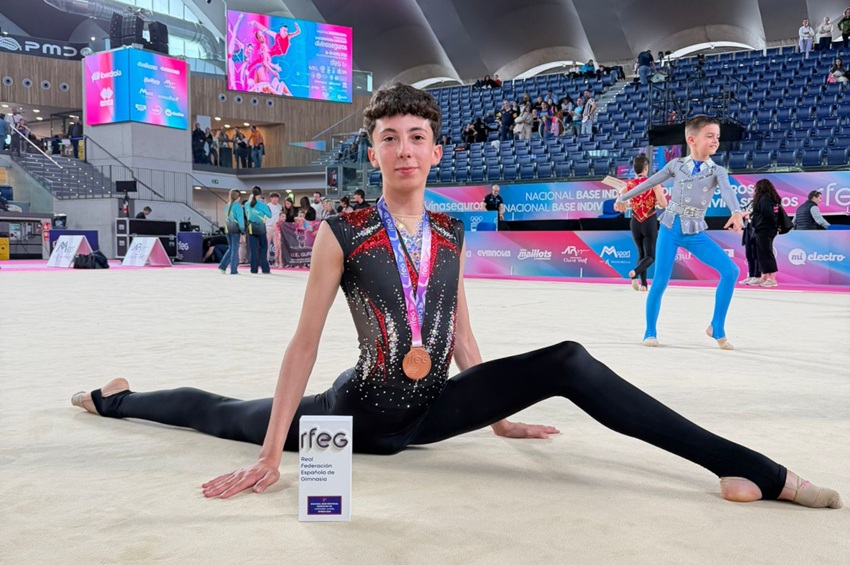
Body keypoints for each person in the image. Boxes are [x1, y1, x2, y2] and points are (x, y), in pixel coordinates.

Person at [69, 83, 842, 511]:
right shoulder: (344, 229)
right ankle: (115, 399)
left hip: (434, 407)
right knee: (216, 413)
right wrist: (274, 453)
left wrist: (495, 410)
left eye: (416, 136)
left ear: (437, 150)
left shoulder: (450, 226)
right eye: (389, 138)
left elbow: (459, 326)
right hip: (356, 413)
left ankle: (748, 469)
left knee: (567, 359)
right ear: (370, 152)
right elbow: (303, 344)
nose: (403, 149)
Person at [615, 115, 744, 350]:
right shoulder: (676, 165)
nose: (715, 141)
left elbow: (727, 191)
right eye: (710, 136)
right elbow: (649, 182)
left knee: (731, 270)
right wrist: (623, 197)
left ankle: (717, 326)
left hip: (695, 230)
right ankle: (650, 331)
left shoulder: (718, 171)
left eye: (717, 137)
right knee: (661, 280)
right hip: (670, 227)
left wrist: (736, 211)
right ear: (691, 139)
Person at [619, 154, 667, 291]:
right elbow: (664, 204)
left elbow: (621, 203)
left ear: (635, 169)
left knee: (641, 253)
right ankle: (635, 272)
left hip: (635, 221)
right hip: (649, 220)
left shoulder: (628, 186)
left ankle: (644, 285)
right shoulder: (653, 183)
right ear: (646, 168)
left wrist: (631, 204)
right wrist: (656, 201)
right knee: (650, 256)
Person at [749, 179, 781, 288]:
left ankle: (772, 278)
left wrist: (774, 226)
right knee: (762, 253)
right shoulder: (766, 198)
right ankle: (764, 276)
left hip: (765, 229)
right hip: (762, 228)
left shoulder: (765, 199)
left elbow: (769, 215)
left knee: (767, 253)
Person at [245, 186, 272, 274]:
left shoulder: (246, 204)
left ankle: (253, 269)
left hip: (251, 228)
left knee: (253, 249)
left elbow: (246, 214)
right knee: (263, 248)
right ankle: (265, 268)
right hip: (260, 228)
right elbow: (269, 215)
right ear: (260, 194)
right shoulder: (263, 205)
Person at [218, 190, 245, 275]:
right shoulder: (238, 207)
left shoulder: (227, 205)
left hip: (227, 229)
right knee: (234, 250)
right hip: (235, 229)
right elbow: (241, 221)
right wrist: (243, 232)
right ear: (239, 197)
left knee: (231, 248)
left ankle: (222, 266)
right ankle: (233, 270)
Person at [266, 192, 282, 268]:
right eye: (274, 197)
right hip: (268, 227)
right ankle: (266, 261)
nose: (276, 199)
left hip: (276, 229)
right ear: (271, 198)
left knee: (277, 246)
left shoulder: (279, 206)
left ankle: (276, 261)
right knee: (267, 245)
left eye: (277, 198)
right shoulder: (267, 206)